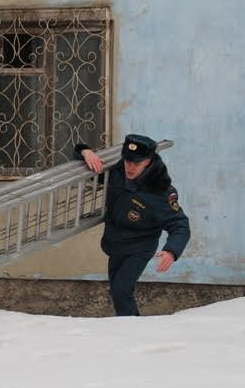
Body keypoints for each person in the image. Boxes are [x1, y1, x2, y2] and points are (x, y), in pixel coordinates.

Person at [75, 134, 190, 316]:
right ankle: (128, 327)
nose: (130, 167)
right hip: (115, 244)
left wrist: (171, 251)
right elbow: (90, 166)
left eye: (136, 163)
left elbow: (180, 224)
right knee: (117, 290)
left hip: (139, 248)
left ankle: (132, 329)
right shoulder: (118, 171)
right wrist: (85, 151)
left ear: (149, 161)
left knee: (121, 289)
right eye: (127, 161)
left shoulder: (160, 191)